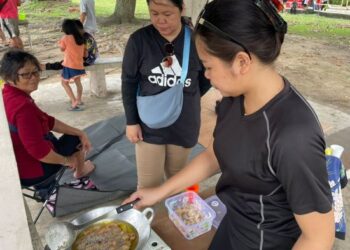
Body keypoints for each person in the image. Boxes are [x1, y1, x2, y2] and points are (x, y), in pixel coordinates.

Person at [123, 0, 335, 249]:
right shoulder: (234, 99)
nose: (206, 76)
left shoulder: (293, 136)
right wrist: (160, 191)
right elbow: (217, 153)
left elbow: (318, 237)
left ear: (242, 62)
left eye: (209, 66)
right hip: (233, 223)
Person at [121, 0, 211, 189]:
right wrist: (131, 121)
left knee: (177, 181)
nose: (160, 20)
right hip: (148, 125)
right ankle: (148, 218)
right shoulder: (139, 40)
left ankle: (176, 217)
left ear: (181, 9)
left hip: (184, 124)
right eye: (154, 13)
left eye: (167, 14)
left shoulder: (197, 41)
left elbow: (207, 78)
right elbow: (129, 82)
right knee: (148, 184)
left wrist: (186, 97)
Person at [0, 50, 95, 187]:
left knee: (75, 134)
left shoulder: (9, 95)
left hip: (19, 164)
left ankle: (76, 164)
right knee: (75, 140)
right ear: (9, 77)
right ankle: (80, 171)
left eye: (35, 72)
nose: (33, 77)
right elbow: (39, 152)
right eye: (25, 74)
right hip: (33, 171)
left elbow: (48, 120)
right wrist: (67, 160)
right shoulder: (23, 107)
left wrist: (79, 132)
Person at [59, 19, 87, 111]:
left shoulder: (65, 38)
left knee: (64, 83)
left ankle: (74, 101)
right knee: (78, 83)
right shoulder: (80, 38)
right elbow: (85, 55)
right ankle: (79, 100)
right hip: (79, 65)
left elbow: (62, 49)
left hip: (69, 65)